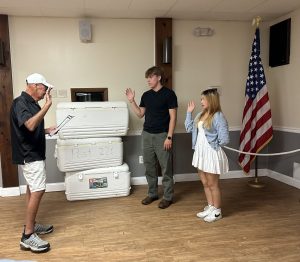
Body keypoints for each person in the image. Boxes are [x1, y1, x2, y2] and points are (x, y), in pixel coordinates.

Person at [10, 73, 56, 252]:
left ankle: (31, 224)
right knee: (38, 190)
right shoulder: (20, 102)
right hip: (29, 154)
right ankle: (27, 236)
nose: (45, 93)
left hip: (34, 152)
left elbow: (30, 129)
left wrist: (45, 130)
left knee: (32, 189)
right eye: (44, 89)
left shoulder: (30, 104)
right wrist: (47, 106)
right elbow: (29, 125)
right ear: (35, 85)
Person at [125, 66, 178, 209]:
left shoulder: (169, 94)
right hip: (147, 135)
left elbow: (173, 118)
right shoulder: (146, 95)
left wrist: (169, 137)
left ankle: (168, 197)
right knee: (149, 166)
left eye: (151, 77)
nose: (148, 80)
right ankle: (152, 193)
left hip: (162, 135)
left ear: (159, 77)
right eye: (147, 78)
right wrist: (132, 101)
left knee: (166, 168)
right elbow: (140, 114)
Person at [185, 88, 229, 222]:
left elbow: (224, 139)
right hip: (200, 153)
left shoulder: (218, 116)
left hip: (211, 153)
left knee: (212, 184)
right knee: (205, 182)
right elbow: (188, 128)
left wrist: (214, 143)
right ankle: (211, 206)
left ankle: (217, 211)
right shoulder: (200, 114)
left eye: (203, 99)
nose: (201, 101)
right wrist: (189, 113)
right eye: (201, 99)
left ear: (211, 100)